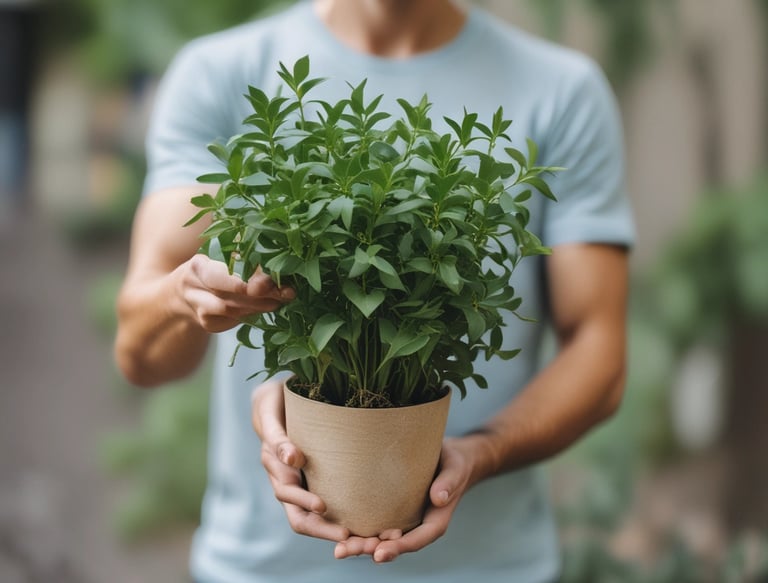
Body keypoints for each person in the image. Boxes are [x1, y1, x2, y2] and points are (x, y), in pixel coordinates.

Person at [114, 0, 635, 581]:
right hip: (259, 569)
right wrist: (187, 296)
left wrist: (481, 452)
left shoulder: (563, 90)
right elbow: (140, 349)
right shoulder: (220, 73)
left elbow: (600, 351)